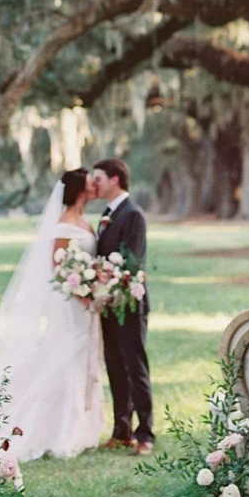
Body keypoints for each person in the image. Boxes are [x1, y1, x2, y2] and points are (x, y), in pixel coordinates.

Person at [0, 168, 104, 461]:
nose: (95, 187)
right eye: (91, 183)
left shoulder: (84, 221)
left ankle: (80, 427)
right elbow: (58, 268)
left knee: (82, 359)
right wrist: (82, 292)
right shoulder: (64, 224)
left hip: (87, 303)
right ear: (80, 190)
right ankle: (53, 429)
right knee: (64, 358)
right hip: (69, 303)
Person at [93, 158, 154, 455]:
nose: (94, 184)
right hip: (108, 305)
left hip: (129, 305)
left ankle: (146, 434)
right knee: (115, 367)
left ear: (115, 179)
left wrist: (111, 282)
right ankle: (122, 430)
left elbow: (133, 262)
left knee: (135, 368)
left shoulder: (133, 215)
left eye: (99, 178)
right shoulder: (107, 214)